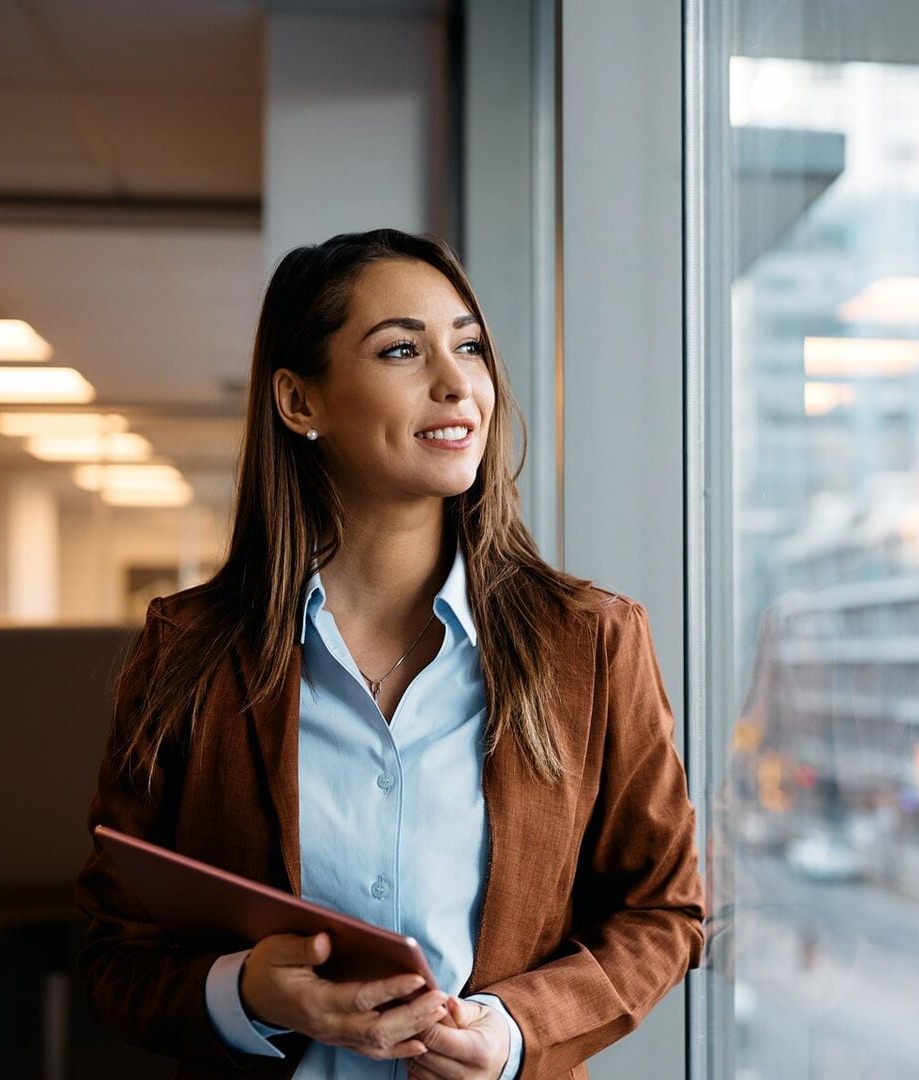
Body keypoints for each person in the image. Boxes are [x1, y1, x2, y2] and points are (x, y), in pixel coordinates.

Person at [74, 228, 706, 1080]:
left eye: (470, 346)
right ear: (300, 403)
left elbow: (665, 911)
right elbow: (114, 951)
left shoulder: (589, 643)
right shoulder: (191, 652)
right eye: (402, 349)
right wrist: (248, 992)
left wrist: (515, 1031)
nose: (458, 385)